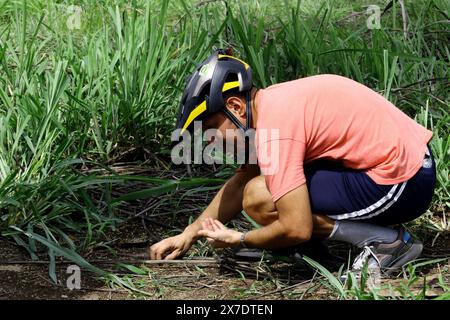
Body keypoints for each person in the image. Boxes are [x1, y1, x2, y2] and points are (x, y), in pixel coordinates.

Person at [149, 49, 436, 274]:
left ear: (235, 106)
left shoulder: (276, 130)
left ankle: (387, 242)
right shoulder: (271, 107)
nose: (212, 142)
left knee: (263, 199)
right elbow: (240, 183)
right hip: (401, 167)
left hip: (405, 180)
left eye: (211, 130)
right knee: (257, 190)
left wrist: (241, 238)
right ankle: (324, 245)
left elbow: (297, 226)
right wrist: (189, 234)